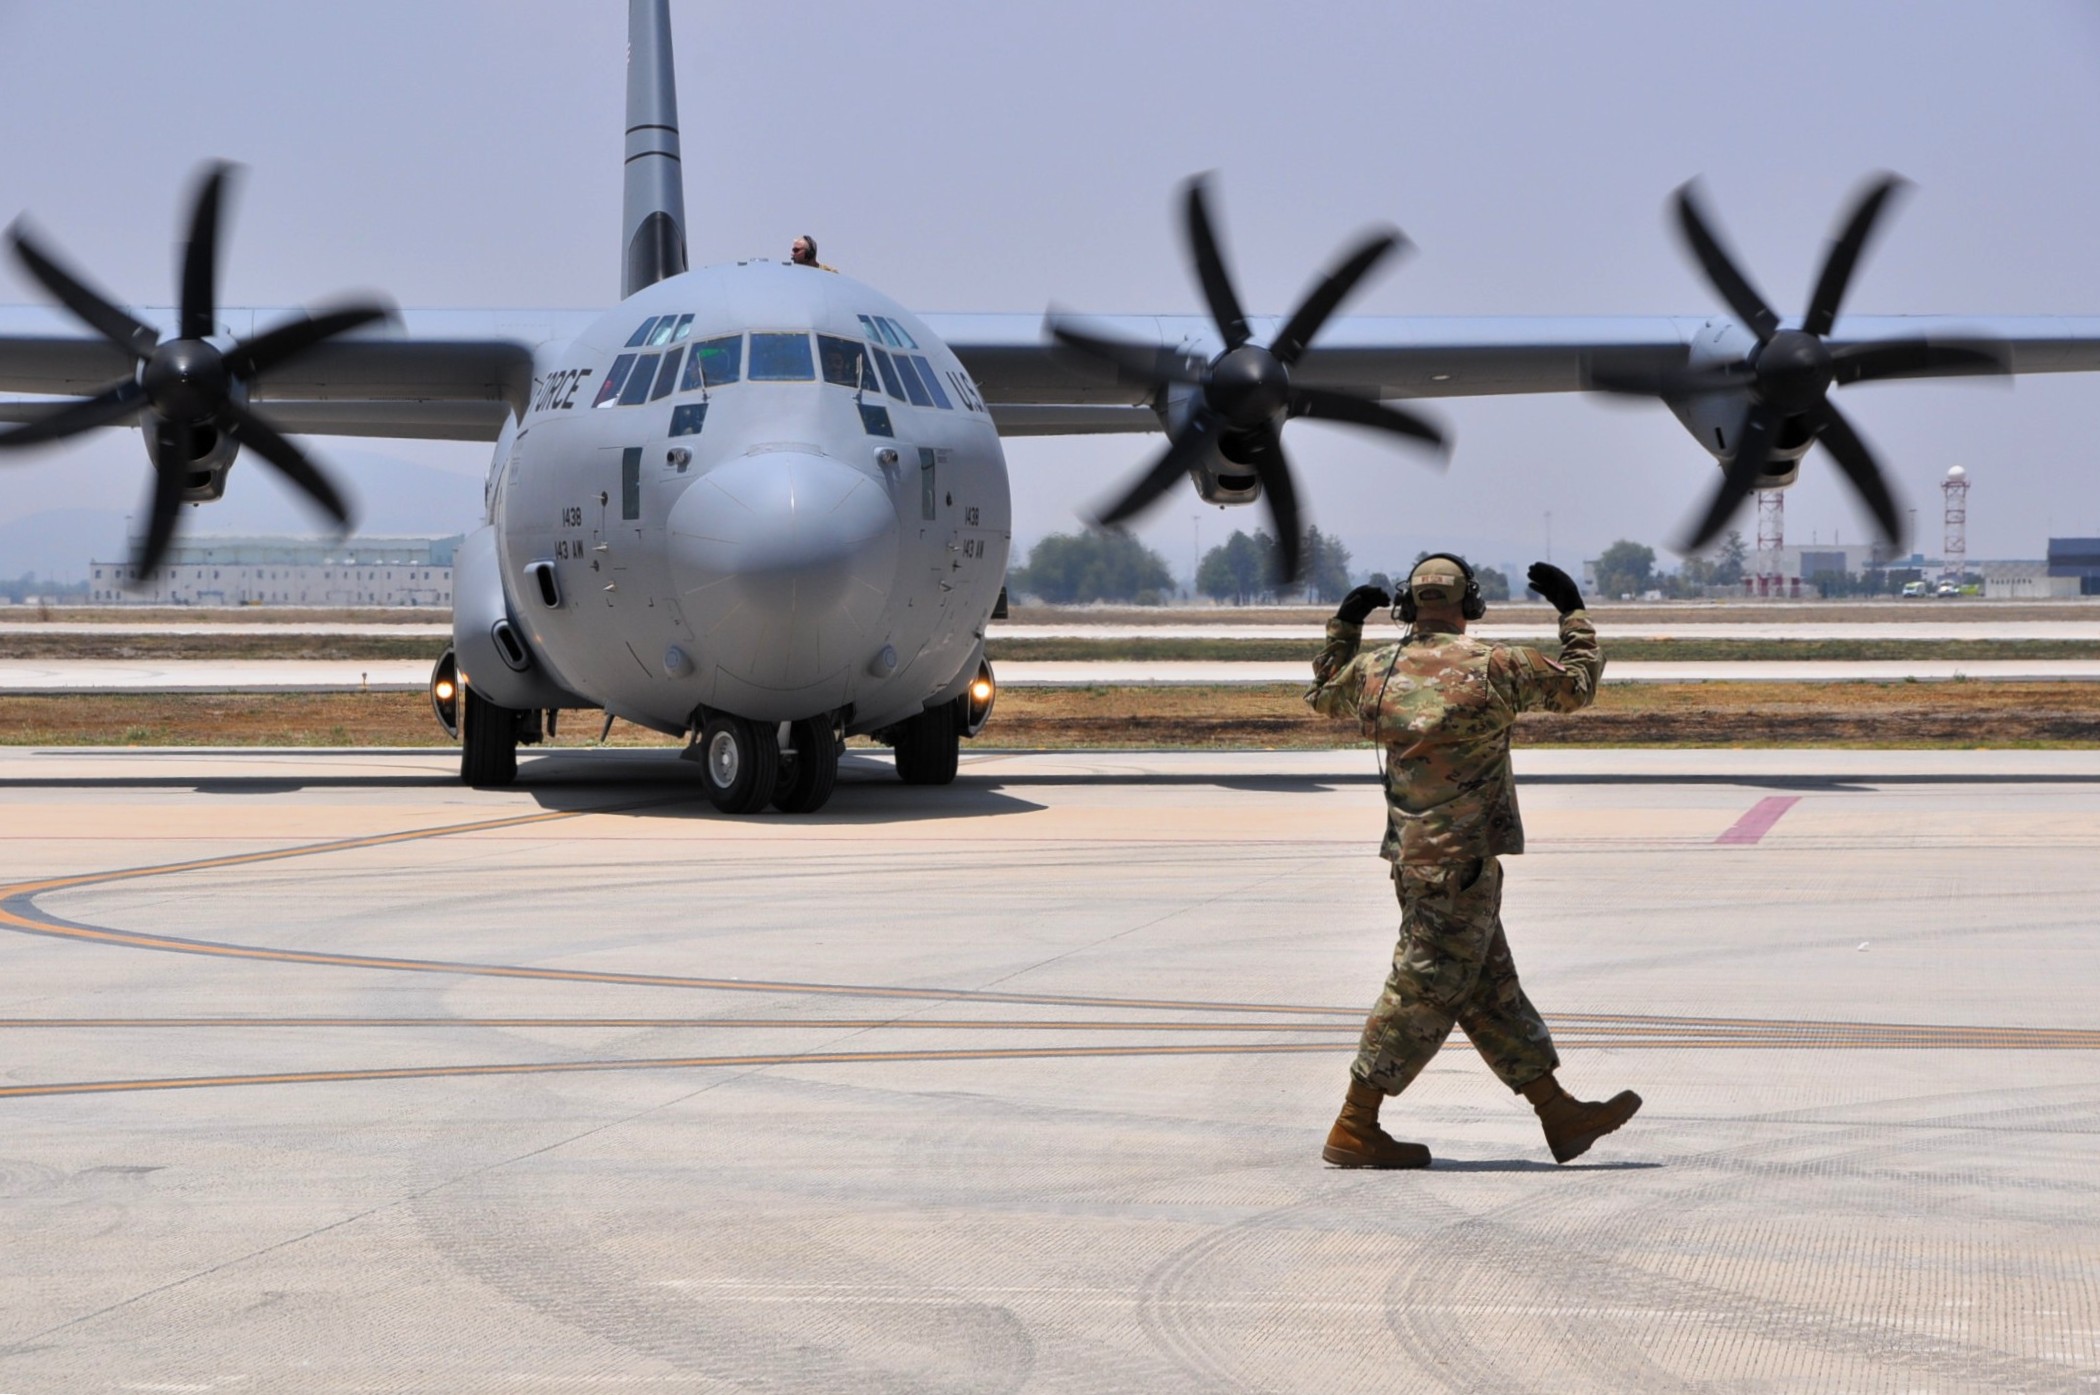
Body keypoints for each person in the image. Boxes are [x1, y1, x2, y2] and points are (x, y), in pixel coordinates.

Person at [1304, 554, 1641, 1168]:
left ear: (1408, 607)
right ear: (1471, 605)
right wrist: (1573, 614)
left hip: (1413, 861)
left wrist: (1344, 628)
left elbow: (1324, 695)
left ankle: (1558, 1113)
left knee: (1490, 991)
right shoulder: (1495, 666)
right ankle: (1355, 1124)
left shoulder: (1377, 670)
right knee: (1419, 988)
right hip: (1462, 864)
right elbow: (1578, 686)